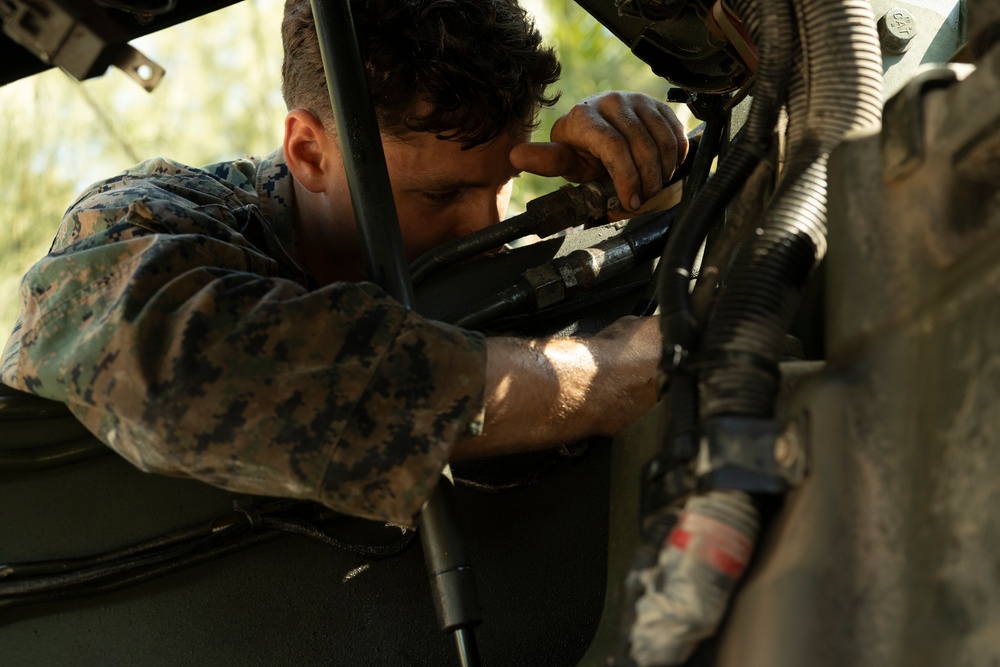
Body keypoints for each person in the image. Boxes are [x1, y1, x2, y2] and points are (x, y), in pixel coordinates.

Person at [0, 0, 687, 526]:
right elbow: (172, 364)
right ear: (308, 151)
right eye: (442, 193)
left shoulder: (476, 247)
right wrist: (597, 379)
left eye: (503, 183)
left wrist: (649, 185)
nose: (491, 225)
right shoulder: (148, 220)